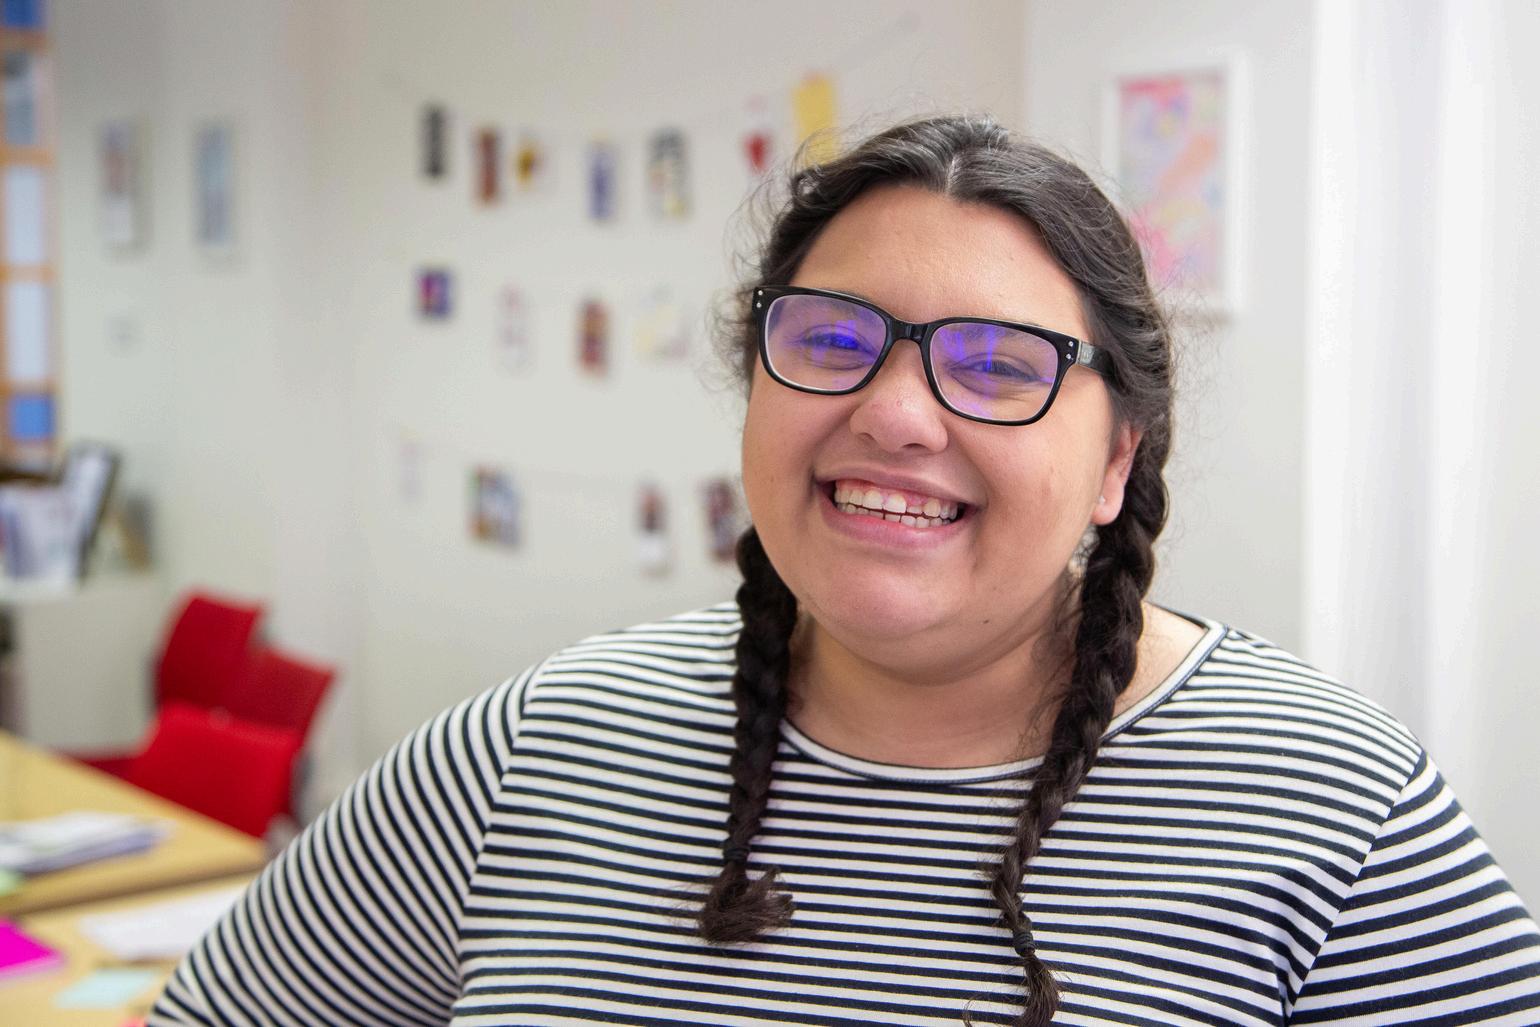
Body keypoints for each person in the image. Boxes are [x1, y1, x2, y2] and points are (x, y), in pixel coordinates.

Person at [149, 116, 1540, 1026]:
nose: (895, 414)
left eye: (996, 366)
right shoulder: (537, 751)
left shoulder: (1337, 814)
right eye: (830, 339)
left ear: (1117, 459)